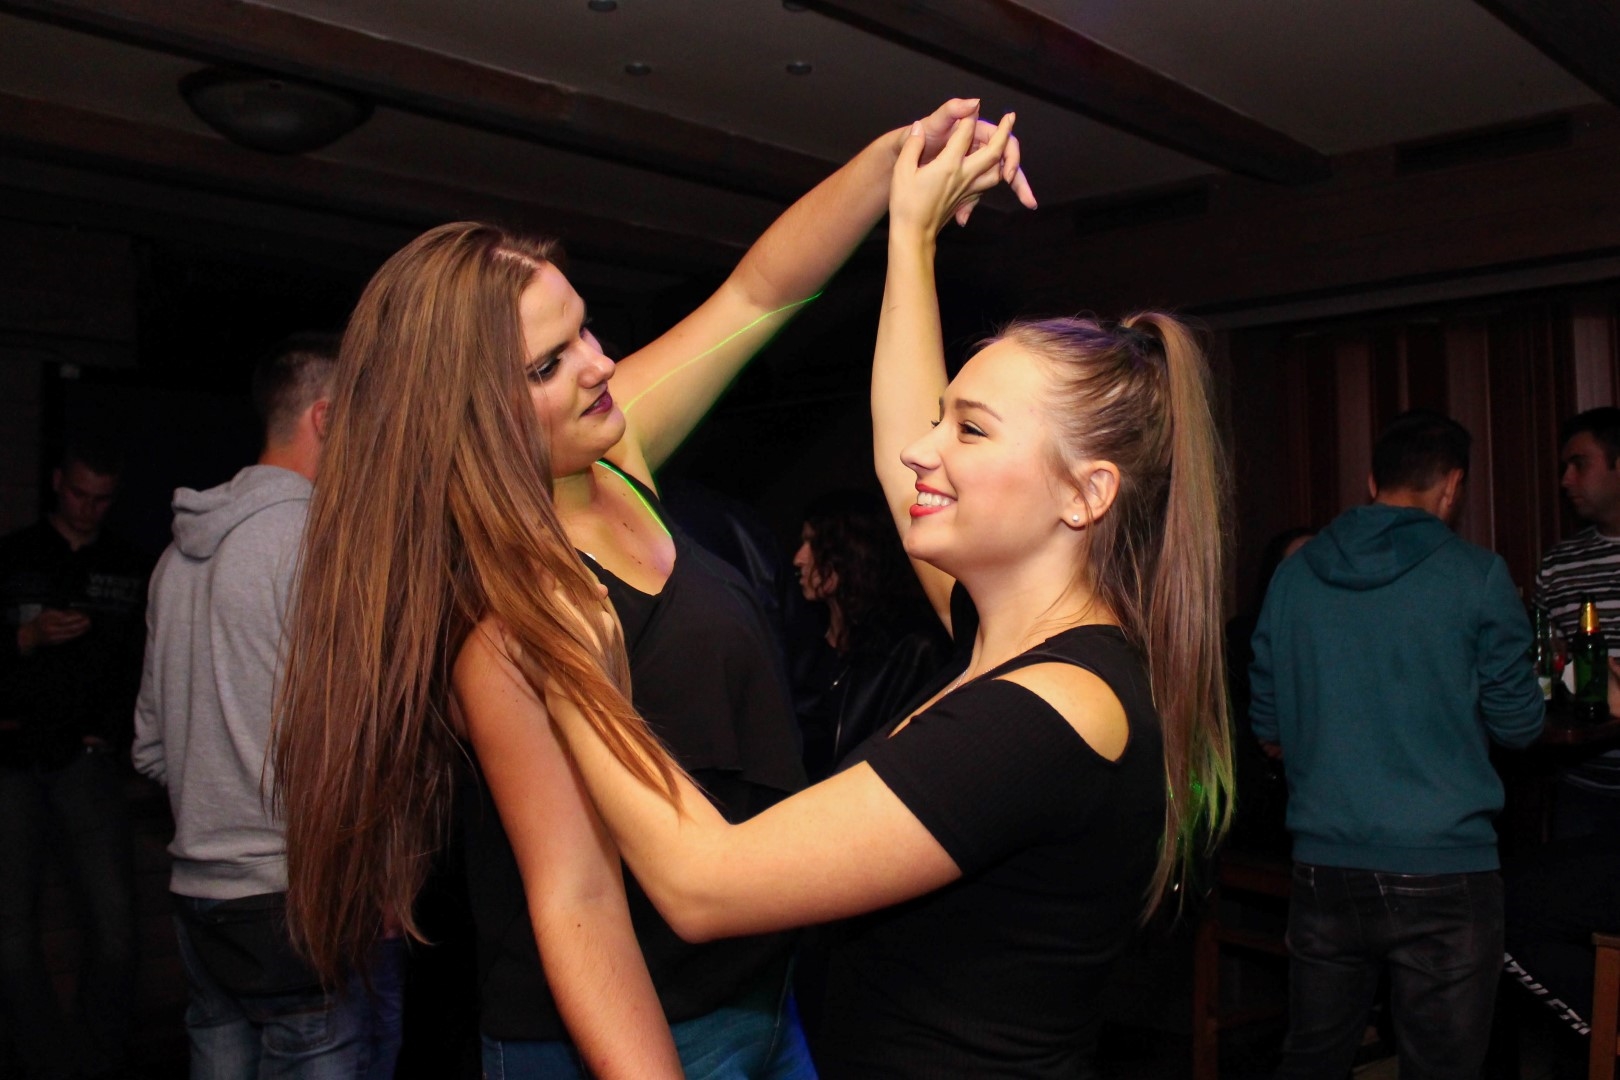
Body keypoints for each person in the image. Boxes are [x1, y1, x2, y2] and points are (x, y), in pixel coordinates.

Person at [273, 98, 1035, 1080]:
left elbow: (758, 294)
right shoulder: (503, 617)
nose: (598, 366)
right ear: (470, 414)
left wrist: (895, 158)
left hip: (757, 996)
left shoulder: (610, 454)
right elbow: (578, 899)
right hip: (625, 1035)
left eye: (584, 330)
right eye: (549, 365)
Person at [543, 110, 1233, 1078]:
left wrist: (555, 644)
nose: (923, 450)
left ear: (1086, 494)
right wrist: (910, 235)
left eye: (972, 430)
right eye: (944, 418)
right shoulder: (1018, 637)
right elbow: (899, 434)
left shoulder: (1051, 713)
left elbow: (705, 884)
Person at [132, 336, 404, 1078]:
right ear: (326, 417)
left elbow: (150, 749)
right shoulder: (323, 546)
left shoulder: (174, 558)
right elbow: (360, 740)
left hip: (197, 898)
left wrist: (221, 806)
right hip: (296, 900)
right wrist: (380, 870)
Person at [1250, 409, 1545, 1080]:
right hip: (1445, 864)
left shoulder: (1294, 575)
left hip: (1324, 862)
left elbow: (1267, 720)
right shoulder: (1477, 576)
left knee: (1313, 1061)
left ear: (1372, 480)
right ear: (1453, 485)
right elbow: (1519, 726)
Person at [0, 443, 148, 1080]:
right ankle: (47, 1064)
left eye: (102, 499)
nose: (88, 509)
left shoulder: (130, 565)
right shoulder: (12, 556)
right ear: (58, 483)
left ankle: (94, 1063)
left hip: (88, 760)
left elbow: (143, 665)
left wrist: (112, 737)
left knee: (115, 931)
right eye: (79, 494)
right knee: (11, 935)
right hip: (11, 756)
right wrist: (26, 637)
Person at [790, 488, 946, 780]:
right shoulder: (802, 642)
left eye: (813, 543)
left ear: (851, 551)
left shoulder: (910, 650)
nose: (798, 559)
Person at [1535, 406, 1620, 838]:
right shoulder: (1559, 565)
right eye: (1564, 467)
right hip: (1584, 791)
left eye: (1579, 464)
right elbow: (1543, 667)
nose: (1566, 480)